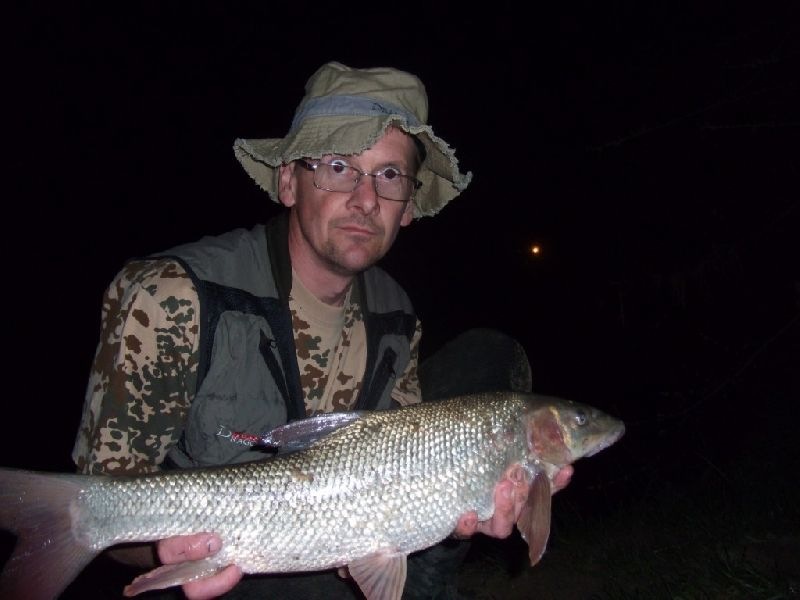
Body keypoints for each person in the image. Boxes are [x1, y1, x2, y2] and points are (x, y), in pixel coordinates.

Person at [72, 61, 572, 599]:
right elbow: (103, 502)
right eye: (338, 167)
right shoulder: (173, 295)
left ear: (408, 206)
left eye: (389, 175)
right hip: (223, 565)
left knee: (488, 356)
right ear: (289, 181)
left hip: (331, 536)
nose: (366, 199)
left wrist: (452, 501)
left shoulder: (397, 316)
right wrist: (163, 550)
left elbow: (394, 479)